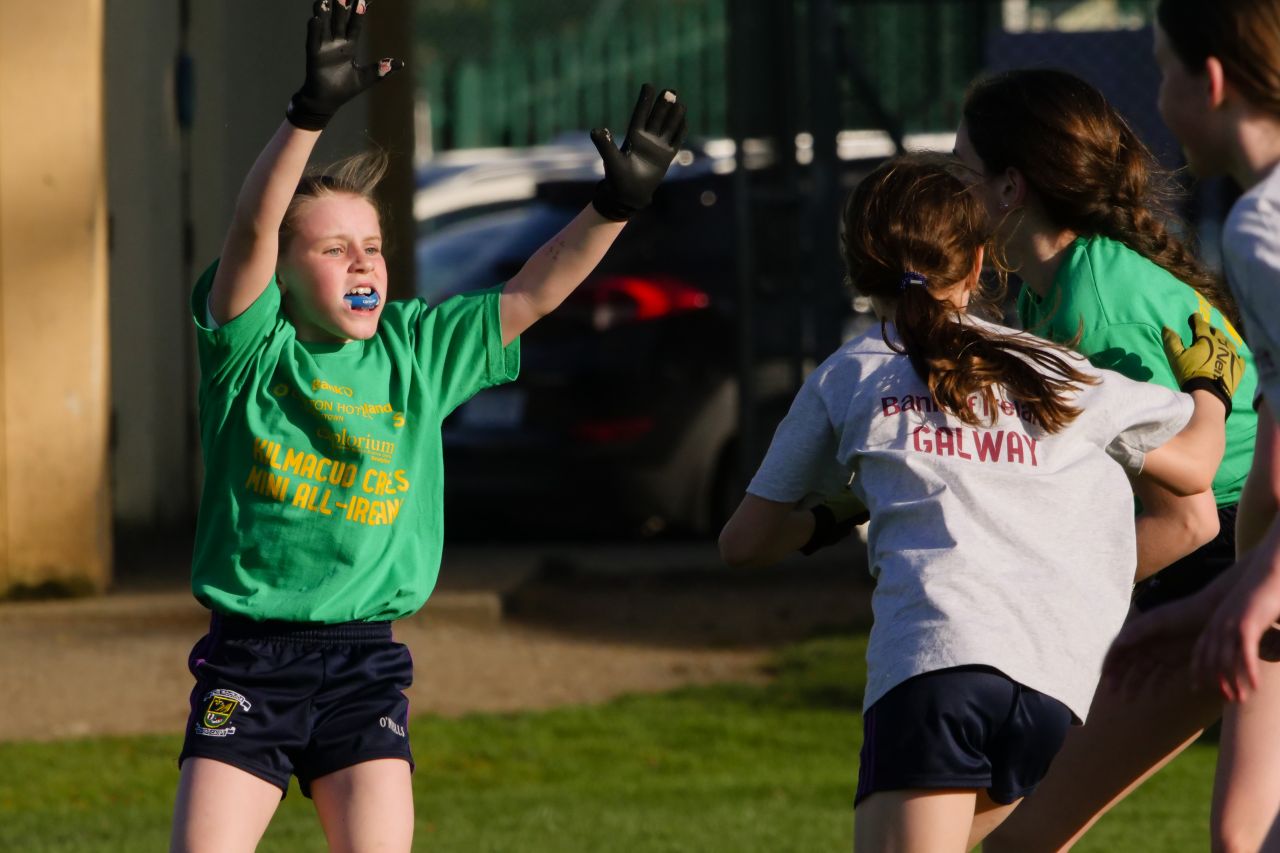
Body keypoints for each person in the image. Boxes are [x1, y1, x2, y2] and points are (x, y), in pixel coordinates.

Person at [170, 3, 687, 851]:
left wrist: (613, 207)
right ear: (282, 278)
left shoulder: (418, 351)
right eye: (333, 250)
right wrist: (307, 114)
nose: (362, 261)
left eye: (370, 245)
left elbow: (532, 290)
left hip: (365, 664)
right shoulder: (249, 350)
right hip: (249, 664)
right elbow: (251, 227)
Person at [717, 153, 1242, 853]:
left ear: (855, 268)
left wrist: (832, 514)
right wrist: (1209, 383)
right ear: (976, 265)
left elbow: (744, 543)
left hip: (936, 663)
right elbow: (1197, 494)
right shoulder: (1052, 367)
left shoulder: (851, 372)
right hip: (1051, 685)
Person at [953, 68, 1264, 853]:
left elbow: (1187, 515)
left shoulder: (1099, 305)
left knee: (1016, 836)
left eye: (960, 174)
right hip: (1236, 555)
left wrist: (1049, 605)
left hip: (1234, 555)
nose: (946, 193)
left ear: (1010, 188)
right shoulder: (1045, 290)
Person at [1103, 2, 1280, 850]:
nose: (1159, 96)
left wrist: (1253, 591)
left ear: (1210, 81)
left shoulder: (1264, 226)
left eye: (1164, 66)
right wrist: (1229, 595)